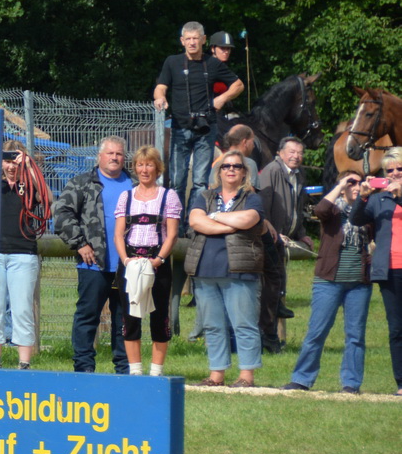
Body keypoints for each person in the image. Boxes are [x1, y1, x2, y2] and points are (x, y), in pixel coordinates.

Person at [280, 172, 374, 394]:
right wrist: (341, 184)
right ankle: (302, 379)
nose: (355, 186)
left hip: (359, 282)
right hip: (328, 280)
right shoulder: (333, 210)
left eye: (359, 183)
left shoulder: (369, 211)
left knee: (355, 335)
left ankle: (351, 384)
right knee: (317, 331)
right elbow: (320, 209)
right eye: (351, 183)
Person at [186, 149, 267, 387]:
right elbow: (195, 221)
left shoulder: (252, 198)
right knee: (212, 324)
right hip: (205, 269)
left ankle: (246, 376)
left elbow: (248, 220)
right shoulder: (204, 195)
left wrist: (215, 217)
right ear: (218, 172)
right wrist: (230, 223)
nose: (231, 169)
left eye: (236, 166)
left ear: (244, 173)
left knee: (243, 324)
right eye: (226, 166)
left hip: (239, 269)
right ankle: (216, 375)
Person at [54, 136, 134, 374]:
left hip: (127, 264)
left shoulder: (135, 184)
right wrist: (80, 244)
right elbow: (62, 214)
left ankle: (125, 368)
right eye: (110, 153)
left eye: (119, 154)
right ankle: (84, 366)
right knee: (88, 316)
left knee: (125, 320)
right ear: (99, 156)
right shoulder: (83, 183)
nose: (114, 158)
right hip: (93, 264)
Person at [153, 21, 242, 200]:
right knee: (177, 181)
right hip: (180, 127)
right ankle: (176, 226)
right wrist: (160, 97)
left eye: (195, 38)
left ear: (203, 40)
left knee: (200, 181)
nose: (192, 42)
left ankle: (194, 224)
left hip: (206, 128)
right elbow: (160, 86)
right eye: (188, 39)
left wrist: (222, 98)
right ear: (182, 41)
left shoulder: (213, 64)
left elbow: (238, 85)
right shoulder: (173, 62)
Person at [114, 144, 182, 376]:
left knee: (159, 315)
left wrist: (159, 259)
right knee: (130, 316)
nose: (144, 170)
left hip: (157, 263)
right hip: (131, 262)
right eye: (140, 165)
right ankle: (135, 371)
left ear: (157, 168)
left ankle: (156, 371)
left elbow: (172, 234)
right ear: (135, 168)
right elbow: (118, 233)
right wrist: (125, 260)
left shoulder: (168, 196)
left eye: (149, 164)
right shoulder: (126, 196)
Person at [0, 143, 44, 369]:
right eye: (7, 161)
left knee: (22, 309)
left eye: (15, 162)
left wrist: (28, 166)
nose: (11, 166)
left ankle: (24, 363)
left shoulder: (31, 187)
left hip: (23, 254)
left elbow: (48, 199)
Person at [255, 136, 305, 353]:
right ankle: (269, 337)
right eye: (292, 152)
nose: (296, 156)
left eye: (300, 153)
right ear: (281, 153)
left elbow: (298, 207)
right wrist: (272, 232)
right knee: (270, 288)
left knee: (275, 287)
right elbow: (262, 206)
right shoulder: (272, 171)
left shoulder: (298, 175)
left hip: (284, 239)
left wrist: (301, 233)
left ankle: (271, 335)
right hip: (269, 238)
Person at [361, 147, 402, 397]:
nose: (396, 173)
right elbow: (357, 219)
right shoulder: (380, 198)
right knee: (397, 328)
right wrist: (363, 197)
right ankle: (401, 381)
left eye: (400, 169)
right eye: (390, 170)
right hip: (390, 269)